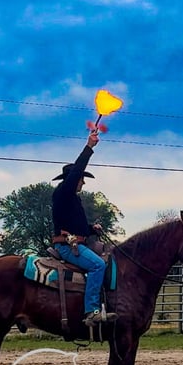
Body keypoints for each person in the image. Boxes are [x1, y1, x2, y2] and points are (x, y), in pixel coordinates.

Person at [51, 131, 117, 327]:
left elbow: (76, 226)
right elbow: (77, 170)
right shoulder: (64, 191)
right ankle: (92, 311)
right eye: (81, 178)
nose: (83, 182)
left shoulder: (70, 199)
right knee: (98, 265)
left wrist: (91, 228)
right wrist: (89, 147)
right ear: (73, 179)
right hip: (66, 246)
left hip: (75, 242)